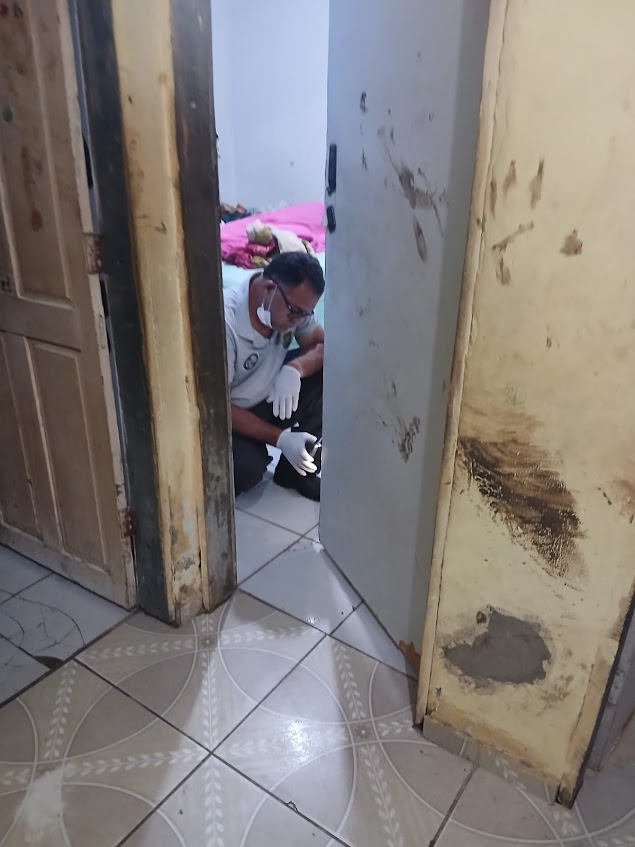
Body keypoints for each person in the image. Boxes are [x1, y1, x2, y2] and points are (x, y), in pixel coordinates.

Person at [224, 251, 325, 502]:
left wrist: (295, 369)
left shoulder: (293, 305)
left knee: (330, 376)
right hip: (231, 413)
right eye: (294, 312)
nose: (297, 321)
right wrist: (280, 439)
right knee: (244, 470)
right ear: (269, 288)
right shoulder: (225, 322)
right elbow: (216, 406)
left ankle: (296, 473)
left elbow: (323, 345)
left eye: (305, 314)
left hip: (271, 395)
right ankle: (260, 450)